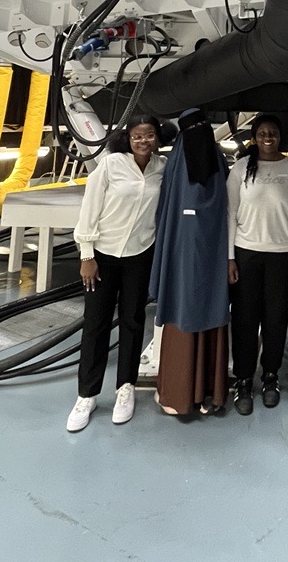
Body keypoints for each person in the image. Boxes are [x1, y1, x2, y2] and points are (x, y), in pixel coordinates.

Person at [67, 115, 166, 432]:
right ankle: (87, 394)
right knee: (95, 324)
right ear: (128, 137)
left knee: (134, 321)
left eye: (149, 135)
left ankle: (126, 388)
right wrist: (86, 254)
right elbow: (90, 207)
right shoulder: (111, 164)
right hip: (102, 257)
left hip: (139, 254)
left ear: (156, 138)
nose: (143, 141)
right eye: (138, 136)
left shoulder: (161, 168)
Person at [149, 109, 230, 416]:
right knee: (184, 313)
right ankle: (181, 393)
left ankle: (207, 390)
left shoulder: (214, 162)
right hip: (184, 256)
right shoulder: (177, 165)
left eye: (202, 127)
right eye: (192, 128)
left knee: (207, 310)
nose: (199, 133)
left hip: (210, 255)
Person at [227, 114, 288, 414]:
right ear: (255, 137)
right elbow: (229, 214)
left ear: (280, 137)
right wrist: (229, 258)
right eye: (262, 133)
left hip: (282, 255)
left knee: (275, 319)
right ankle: (244, 379)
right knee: (245, 319)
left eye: (273, 132)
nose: (268, 137)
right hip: (246, 253)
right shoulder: (240, 169)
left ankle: (270, 376)